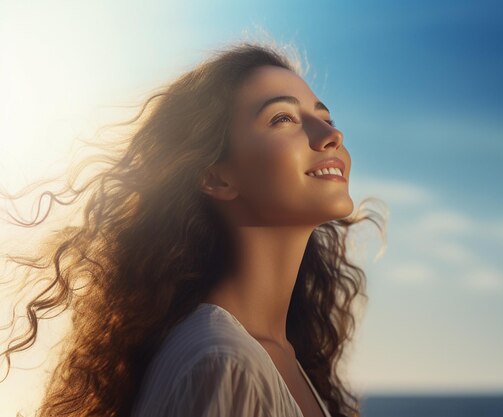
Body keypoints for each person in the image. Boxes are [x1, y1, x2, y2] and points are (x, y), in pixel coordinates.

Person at [0, 41, 386, 417]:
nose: (331, 135)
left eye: (326, 118)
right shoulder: (224, 363)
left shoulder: (267, 352)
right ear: (216, 177)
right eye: (282, 118)